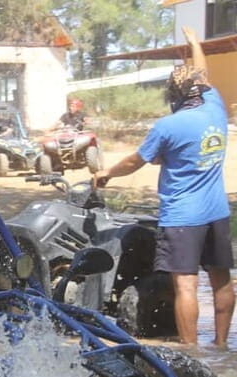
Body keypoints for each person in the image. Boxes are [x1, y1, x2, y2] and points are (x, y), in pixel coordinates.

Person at [93, 26, 234, 349]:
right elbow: (203, 75)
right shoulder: (215, 107)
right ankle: (223, 346)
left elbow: (134, 162)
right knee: (221, 279)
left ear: (174, 95)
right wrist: (196, 43)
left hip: (183, 217)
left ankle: (190, 351)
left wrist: (106, 174)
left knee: (185, 286)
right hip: (217, 213)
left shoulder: (168, 126)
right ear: (198, 90)